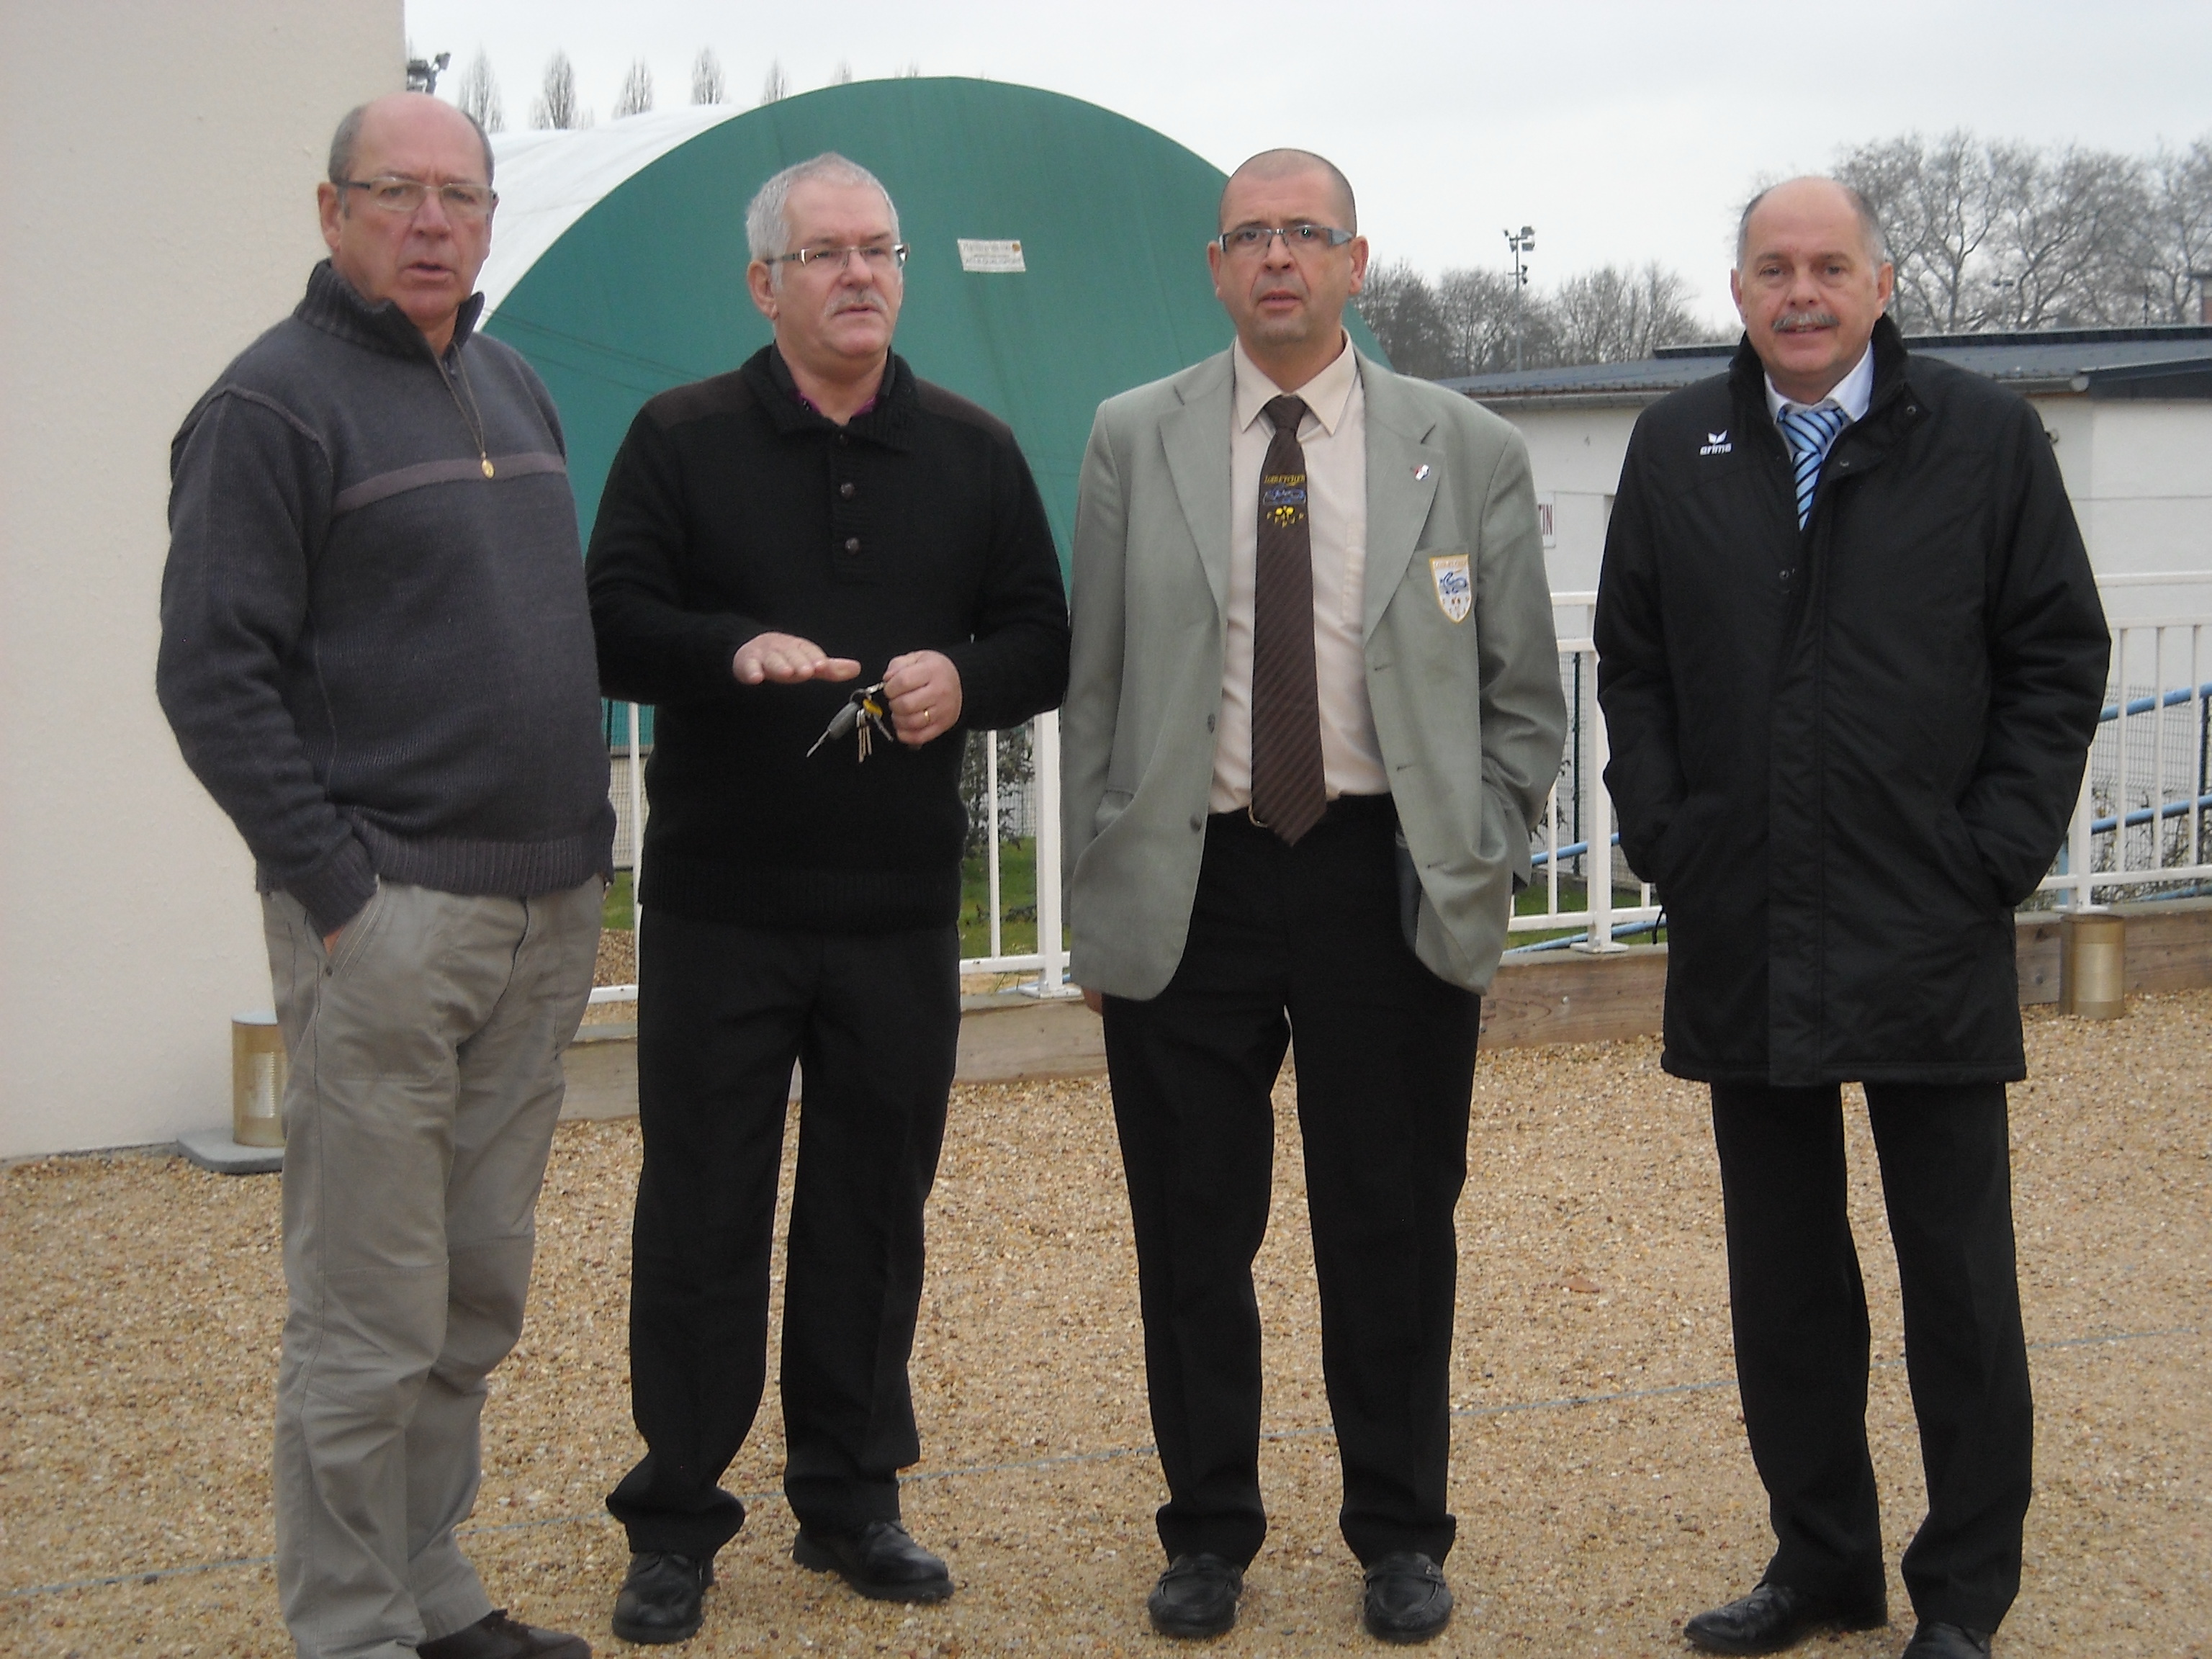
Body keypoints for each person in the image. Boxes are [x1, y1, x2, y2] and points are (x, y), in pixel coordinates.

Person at [1593, 177, 2109, 1659]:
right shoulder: (1675, 443)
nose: (1801, 292)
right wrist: (1669, 832)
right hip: (1744, 913)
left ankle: (1964, 1591)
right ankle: (1821, 1564)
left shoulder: (1985, 440)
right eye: (1775, 268)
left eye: (1830, 267)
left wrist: (1995, 848)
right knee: (1785, 1279)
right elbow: (1633, 662)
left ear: (1883, 285)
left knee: (1956, 1277)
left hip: (1926, 914)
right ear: (1739, 288)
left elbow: (2055, 653)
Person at [1061, 148, 1566, 1645]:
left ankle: (1400, 1531)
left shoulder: (1462, 446)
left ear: (1358, 261)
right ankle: (1208, 1528)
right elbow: (1094, 691)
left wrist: (1476, 849)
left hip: (1383, 875)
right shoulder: (1130, 439)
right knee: (1193, 1229)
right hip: (1191, 878)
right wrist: (1101, 888)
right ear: (1215, 269)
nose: (1278, 256)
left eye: (1308, 233)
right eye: (1250, 235)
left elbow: (1521, 697)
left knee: (1393, 1221)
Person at [584, 152, 1069, 1646]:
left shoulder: (974, 452)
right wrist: (728, 649)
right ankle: (675, 1517)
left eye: (881, 249)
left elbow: (1043, 637)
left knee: (872, 1215)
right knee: (703, 1210)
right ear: (764, 283)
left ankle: (851, 1500)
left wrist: (965, 679)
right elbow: (608, 623)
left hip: (896, 913)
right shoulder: (681, 437)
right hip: (724, 906)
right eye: (827, 253)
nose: (860, 274)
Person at [156, 93, 613, 1659]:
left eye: (459, 197)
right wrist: (338, 892)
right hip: (392, 924)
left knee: (475, 1292)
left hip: (547, 914)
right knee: (368, 1310)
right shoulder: (269, 409)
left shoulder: (515, 386)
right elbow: (214, 676)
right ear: (331, 209)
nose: (432, 223)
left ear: (491, 217)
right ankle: (352, 1626)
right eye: (394, 193)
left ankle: (434, 1589)